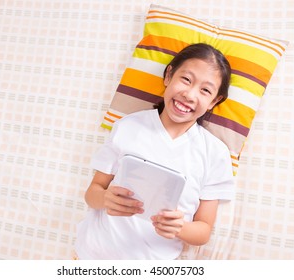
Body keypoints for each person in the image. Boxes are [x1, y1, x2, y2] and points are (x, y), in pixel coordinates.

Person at [75, 43, 234, 259]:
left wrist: (180, 228)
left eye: (205, 90)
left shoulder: (215, 153)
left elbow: (204, 230)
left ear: (213, 102)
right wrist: (106, 199)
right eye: (186, 79)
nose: (189, 94)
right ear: (169, 75)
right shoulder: (128, 126)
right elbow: (92, 193)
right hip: (91, 255)